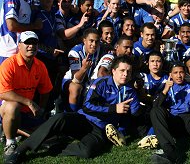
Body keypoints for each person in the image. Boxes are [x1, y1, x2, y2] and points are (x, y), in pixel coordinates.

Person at [4, 56, 142, 164]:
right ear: (113, 71)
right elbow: (87, 106)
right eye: (122, 70)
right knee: (60, 118)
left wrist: (124, 128)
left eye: (128, 72)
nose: (125, 74)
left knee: (87, 152)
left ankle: (52, 147)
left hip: (101, 129)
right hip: (84, 120)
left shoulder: (131, 92)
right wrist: (114, 108)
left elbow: (135, 115)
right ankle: (20, 151)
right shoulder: (101, 83)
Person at [0, 31, 53, 161]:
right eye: (27, 42)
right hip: (6, 109)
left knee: (49, 136)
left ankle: (11, 129)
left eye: (34, 43)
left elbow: (46, 90)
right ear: (19, 45)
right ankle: (10, 142)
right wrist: (28, 102)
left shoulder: (40, 66)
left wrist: (41, 109)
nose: (31, 46)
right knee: (13, 107)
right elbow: (3, 93)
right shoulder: (9, 64)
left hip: (27, 112)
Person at [0, 0, 43, 64]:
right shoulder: (12, 0)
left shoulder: (27, 4)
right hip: (8, 53)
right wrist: (34, 26)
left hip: (20, 54)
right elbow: (11, 26)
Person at [61, 28, 101, 112]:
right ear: (84, 40)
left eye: (96, 41)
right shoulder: (74, 52)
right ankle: (72, 114)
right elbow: (76, 79)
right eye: (91, 41)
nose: (94, 44)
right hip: (71, 80)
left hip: (88, 80)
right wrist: (84, 68)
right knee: (76, 87)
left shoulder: (99, 48)